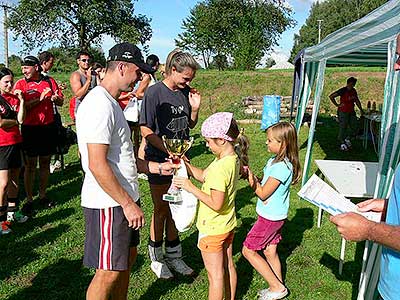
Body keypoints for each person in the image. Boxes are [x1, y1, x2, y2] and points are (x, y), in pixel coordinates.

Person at [76, 42, 177, 300]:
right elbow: (97, 164)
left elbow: (124, 157)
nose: (139, 79)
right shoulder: (99, 105)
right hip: (110, 203)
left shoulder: (111, 104)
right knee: (108, 272)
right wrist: (127, 204)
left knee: (125, 263)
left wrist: (155, 167)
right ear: (121, 67)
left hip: (123, 200)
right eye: (137, 72)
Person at [173, 112, 249, 300]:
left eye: (208, 141)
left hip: (213, 229)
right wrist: (186, 165)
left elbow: (216, 203)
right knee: (228, 266)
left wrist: (190, 187)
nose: (206, 145)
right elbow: (202, 175)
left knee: (215, 277)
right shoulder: (228, 159)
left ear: (222, 140)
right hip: (227, 225)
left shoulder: (220, 168)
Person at [139, 49, 201, 279]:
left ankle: (175, 255)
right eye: (185, 77)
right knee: (161, 209)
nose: (188, 82)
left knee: (177, 206)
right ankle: (157, 257)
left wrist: (195, 108)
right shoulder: (154, 93)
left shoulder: (184, 92)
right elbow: (145, 128)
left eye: (191, 79)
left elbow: (190, 125)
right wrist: (170, 151)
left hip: (180, 162)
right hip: (159, 160)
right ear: (172, 70)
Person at [242, 122, 301, 300]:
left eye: (269, 141)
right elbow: (266, 183)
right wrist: (254, 177)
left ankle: (276, 288)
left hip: (270, 219)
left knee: (248, 251)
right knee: (269, 251)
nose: (266, 143)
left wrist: (250, 179)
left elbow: (262, 193)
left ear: (282, 144)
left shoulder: (282, 167)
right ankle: (278, 285)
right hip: (274, 216)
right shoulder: (273, 162)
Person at [14, 56, 63, 215]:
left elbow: (60, 101)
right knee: (30, 166)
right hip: (29, 128)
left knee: (45, 161)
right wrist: (40, 99)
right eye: (22, 68)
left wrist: (56, 98)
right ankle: (29, 199)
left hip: (47, 127)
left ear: (36, 67)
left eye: (26, 68)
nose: (23, 71)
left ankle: (42, 195)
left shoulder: (49, 81)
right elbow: (21, 109)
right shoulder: (20, 84)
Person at [0, 68, 28, 234]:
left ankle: (13, 211)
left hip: (16, 142)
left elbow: (22, 118)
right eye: (6, 82)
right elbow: (1, 123)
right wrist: (15, 121)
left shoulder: (14, 98)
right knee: (2, 184)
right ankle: (1, 219)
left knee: (15, 179)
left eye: (11, 81)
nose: (10, 85)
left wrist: (22, 101)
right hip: (2, 145)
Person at [329, 77, 364, 151]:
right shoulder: (343, 90)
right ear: (348, 83)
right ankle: (342, 142)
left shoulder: (354, 91)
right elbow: (331, 96)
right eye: (351, 84)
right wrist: (337, 105)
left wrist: (361, 109)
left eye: (354, 84)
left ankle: (347, 138)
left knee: (355, 126)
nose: (352, 86)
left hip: (351, 112)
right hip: (343, 112)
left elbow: (356, 100)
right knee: (343, 127)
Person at [69, 51, 97, 119]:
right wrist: (89, 79)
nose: (86, 62)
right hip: (82, 109)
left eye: (88, 60)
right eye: (84, 60)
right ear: (78, 61)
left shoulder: (94, 74)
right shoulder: (76, 75)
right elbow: (79, 95)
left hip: (94, 108)